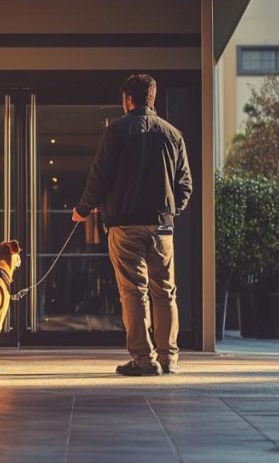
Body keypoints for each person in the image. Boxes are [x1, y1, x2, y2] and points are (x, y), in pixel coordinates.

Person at [72, 73, 193, 376]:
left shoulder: (117, 132)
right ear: (153, 98)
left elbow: (99, 178)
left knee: (134, 292)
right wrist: (169, 210)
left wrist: (82, 209)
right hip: (162, 227)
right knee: (165, 291)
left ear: (128, 99)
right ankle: (169, 358)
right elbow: (186, 186)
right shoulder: (173, 134)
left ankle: (143, 359)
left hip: (125, 226)